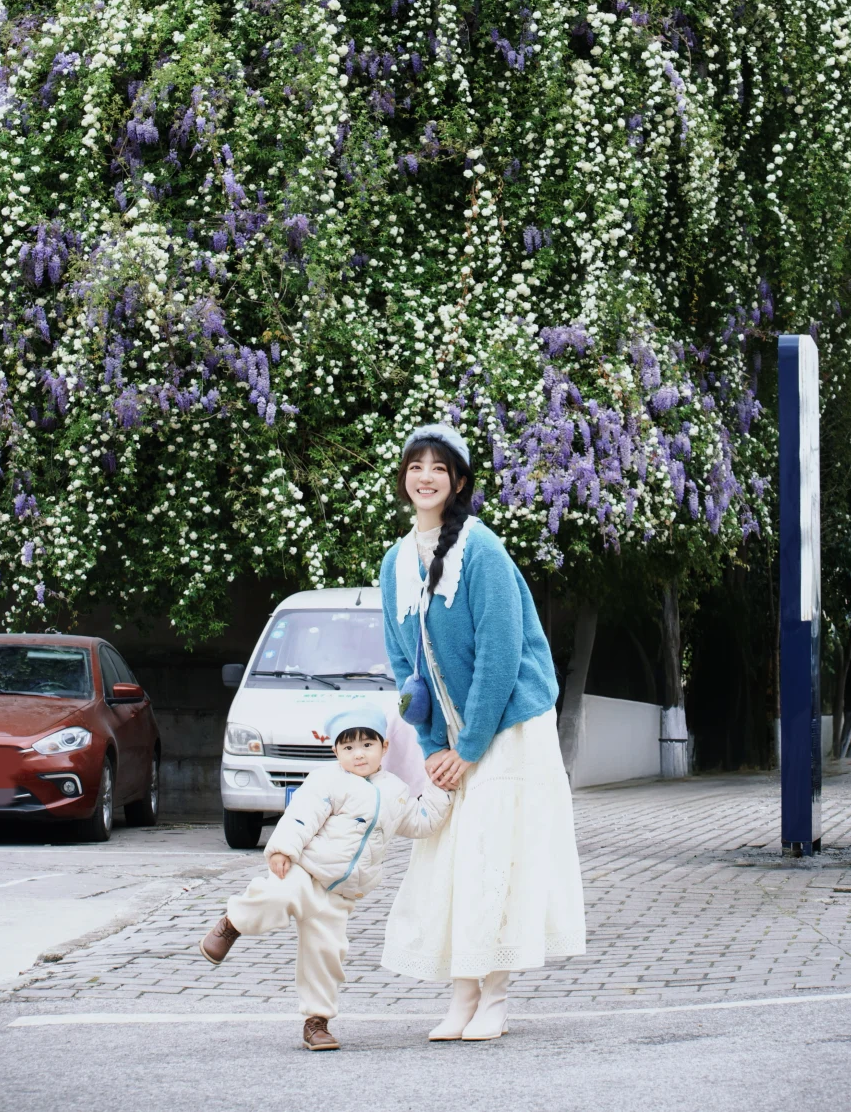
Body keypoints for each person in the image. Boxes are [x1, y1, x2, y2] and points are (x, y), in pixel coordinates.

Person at [380, 422, 587, 1042]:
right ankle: (460, 996)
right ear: (403, 479)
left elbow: (499, 656)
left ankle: (493, 998)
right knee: (451, 861)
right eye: (415, 466)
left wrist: (468, 750)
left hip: (511, 727)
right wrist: (434, 747)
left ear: (459, 482)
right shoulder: (395, 562)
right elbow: (405, 669)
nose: (425, 477)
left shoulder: (481, 548)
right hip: (455, 740)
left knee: (496, 856)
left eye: (438, 468)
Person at [198, 706, 451, 1050]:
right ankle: (233, 922)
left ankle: (316, 1022)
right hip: (305, 871)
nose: (358, 754)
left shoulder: (395, 790)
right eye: (348, 748)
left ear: (384, 747)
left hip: (340, 895)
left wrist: (442, 787)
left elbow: (422, 821)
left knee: (326, 954)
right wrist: (284, 849)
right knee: (279, 896)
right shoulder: (329, 780)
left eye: (366, 745)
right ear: (335, 752)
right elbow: (302, 816)